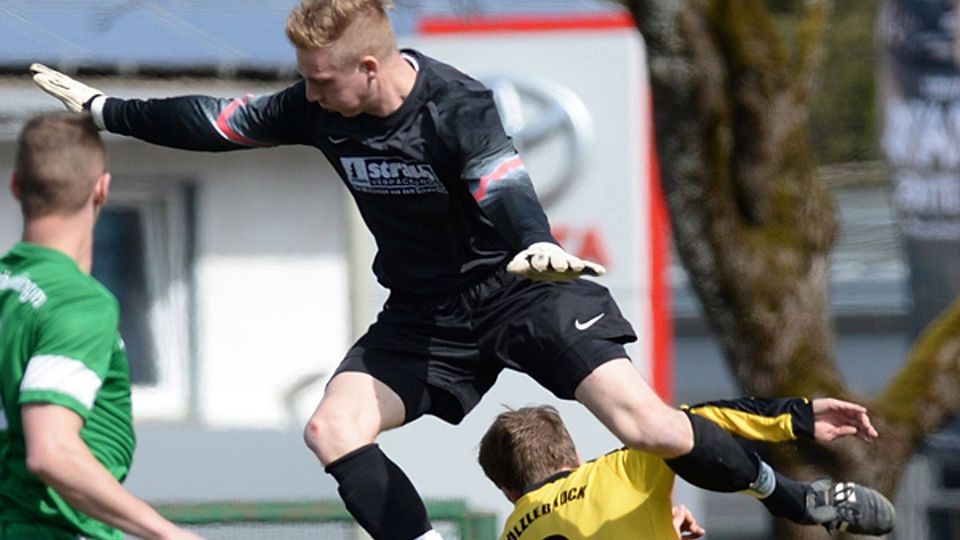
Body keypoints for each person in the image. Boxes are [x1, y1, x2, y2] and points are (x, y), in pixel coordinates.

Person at [28, 1, 895, 538]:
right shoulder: (317, 107)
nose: (311, 92)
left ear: (370, 67)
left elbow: (501, 181)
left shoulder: (458, 105)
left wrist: (532, 236)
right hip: (427, 312)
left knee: (649, 427)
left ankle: (795, 500)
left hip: (522, 284)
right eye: (306, 80)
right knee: (331, 431)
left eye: (324, 80)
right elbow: (217, 123)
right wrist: (109, 108)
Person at [0, 112, 203, 540]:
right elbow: (51, 450)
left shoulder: (8, 287)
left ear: (16, 185)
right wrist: (170, 534)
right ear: (103, 189)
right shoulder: (77, 304)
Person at [479, 397, 895, 539]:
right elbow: (700, 420)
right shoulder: (619, 469)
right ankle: (790, 495)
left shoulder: (511, 531)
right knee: (684, 435)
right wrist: (798, 416)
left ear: (507, 491)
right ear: (573, 459)